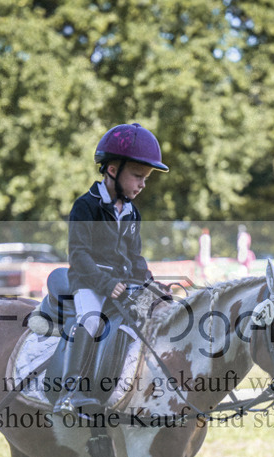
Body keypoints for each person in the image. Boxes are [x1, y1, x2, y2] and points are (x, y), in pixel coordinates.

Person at [54, 123, 168, 415]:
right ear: (113, 170)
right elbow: (78, 255)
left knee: (148, 316)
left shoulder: (132, 212)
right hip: (88, 281)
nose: (142, 184)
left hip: (121, 282)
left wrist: (151, 283)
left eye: (146, 179)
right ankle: (72, 391)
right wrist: (105, 283)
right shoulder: (85, 207)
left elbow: (135, 257)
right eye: (138, 176)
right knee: (91, 321)